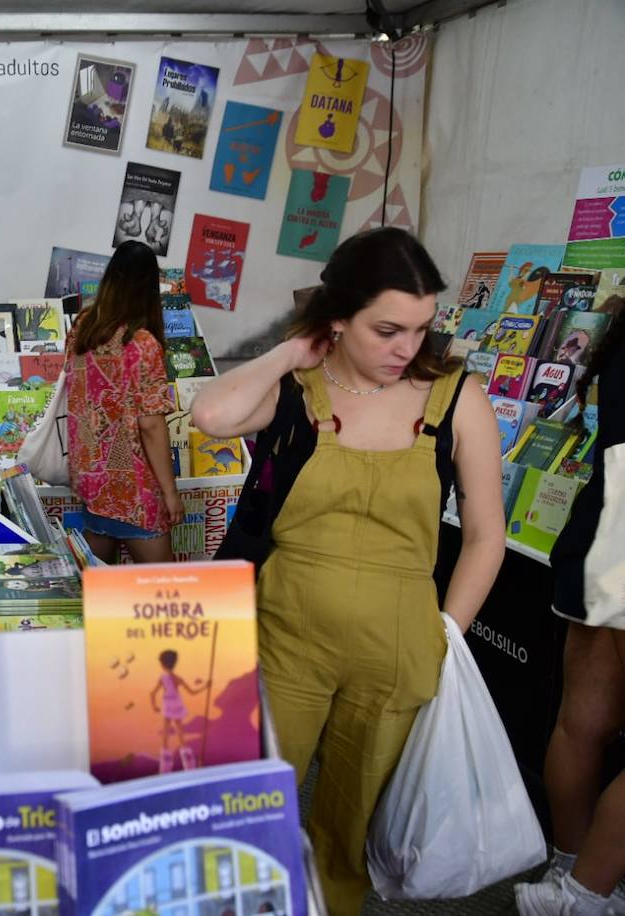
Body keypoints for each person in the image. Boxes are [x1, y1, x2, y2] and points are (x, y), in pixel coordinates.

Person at [191, 227, 505, 913]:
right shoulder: (299, 389)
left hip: (397, 652)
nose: (407, 348)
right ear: (338, 318)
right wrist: (290, 350)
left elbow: (487, 535)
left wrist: (446, 633)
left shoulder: (456, 397)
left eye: (421, 328)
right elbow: (210, 414)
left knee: (349, 827)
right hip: (285, 641)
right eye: (387, 329)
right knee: (250, 804)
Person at [515, 316, 625, 916]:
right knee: (583, 726)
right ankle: (583, 895)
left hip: (599, 532)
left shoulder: (618, 343)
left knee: (582, 724)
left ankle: (568, 870)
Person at [66, 240, 185, 564]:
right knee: (162, 588)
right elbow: (150, 425)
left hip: (91, 480)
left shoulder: (82, 327)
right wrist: (170, 492)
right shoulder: (143, 344)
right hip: (134, 489)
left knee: (98, 588)